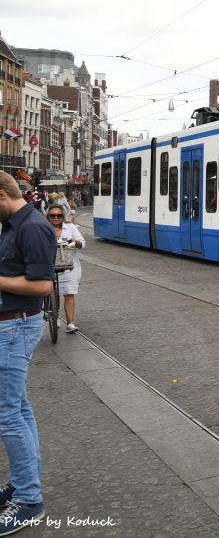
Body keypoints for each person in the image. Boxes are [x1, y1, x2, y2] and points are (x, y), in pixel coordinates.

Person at [0, 171, 56, 531]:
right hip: (11, 324)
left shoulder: (32, 227)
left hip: (15, 326)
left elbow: (41, 285)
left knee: (6, 413)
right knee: (17, 406)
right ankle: (23, 482)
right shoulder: (13, 225)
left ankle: (28, 499)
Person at [46, 205, 85, 333]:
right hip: (50, 266)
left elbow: (82, 243)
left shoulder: (70, 227)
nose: (56, 218)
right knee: (54, 293)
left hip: (69, 267)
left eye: (59, 215)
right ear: (48, 217)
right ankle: (55, 317)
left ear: (62, 216)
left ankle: (70, 323)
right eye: (53, 215)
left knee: (69, 293)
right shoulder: (43, 228)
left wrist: (75, 242)